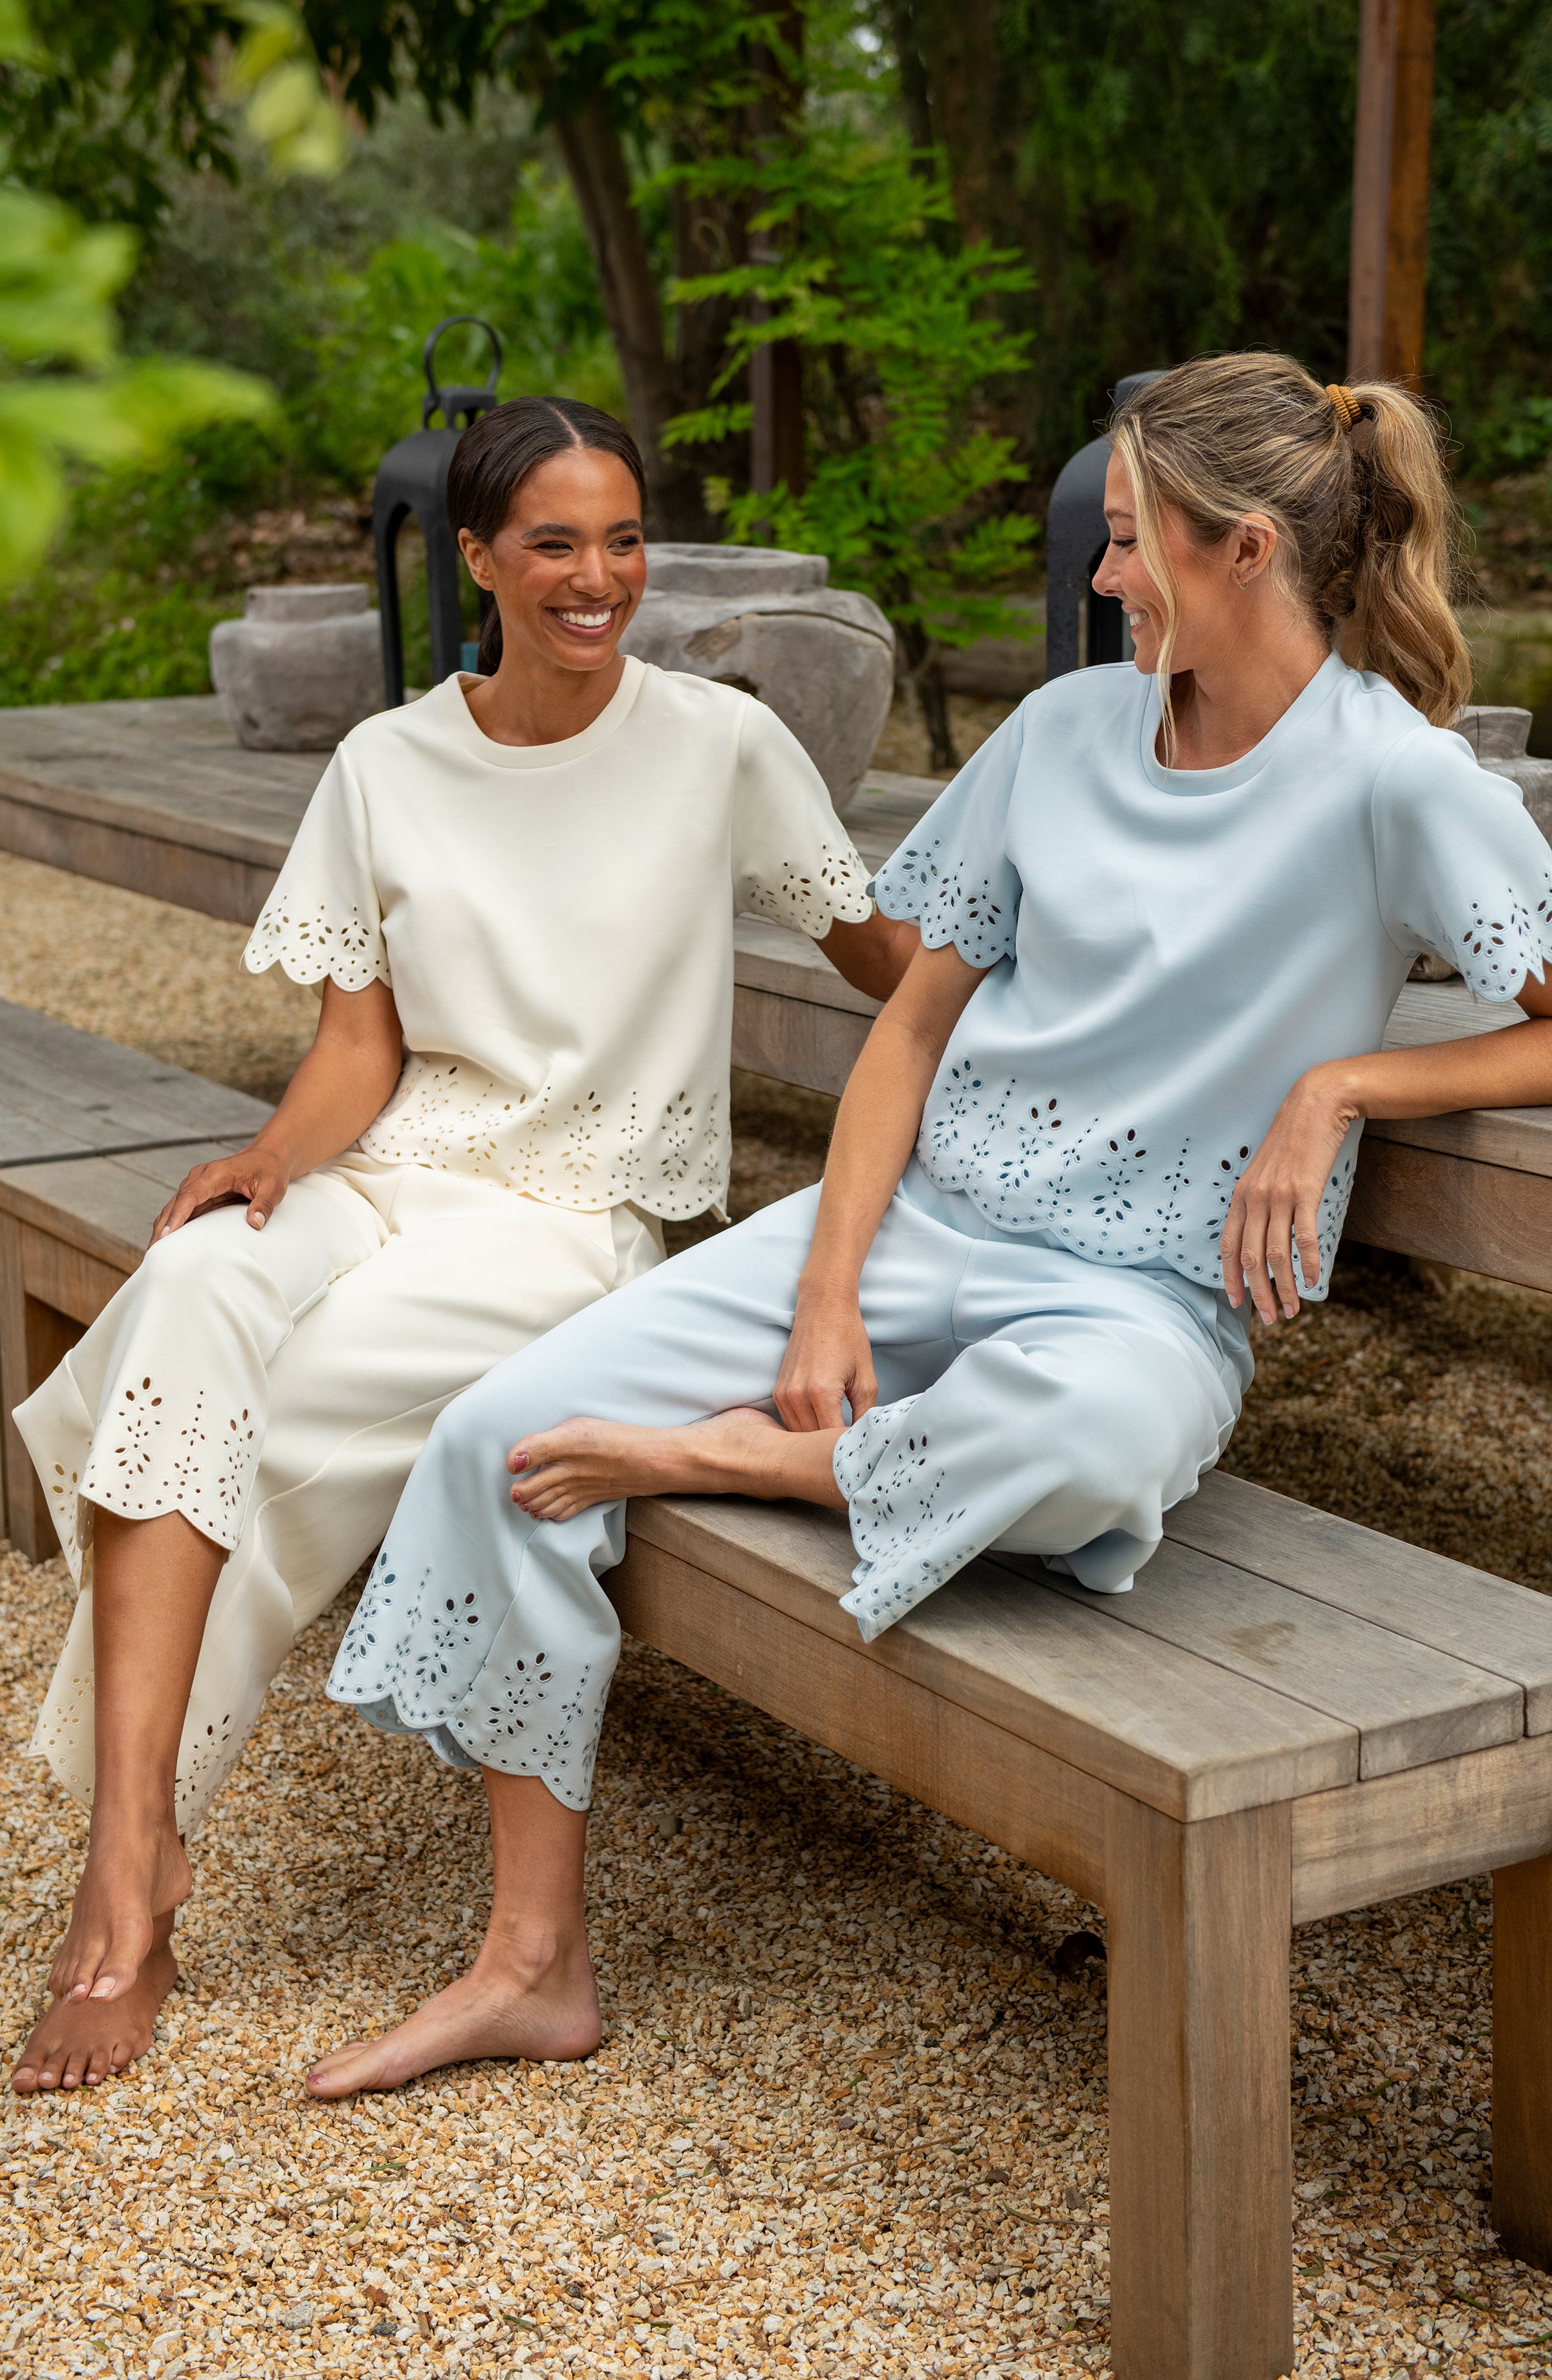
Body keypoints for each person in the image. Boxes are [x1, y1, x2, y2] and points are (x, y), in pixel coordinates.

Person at [305, 351, 1552, 2100]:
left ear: (1247, 553)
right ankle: (533, 1962)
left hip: (1133, 1303)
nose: (1101, 578)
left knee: (1103, 1447)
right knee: (501, 1430)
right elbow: (909, 1023)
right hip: (913, 1233)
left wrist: (1341, 1086)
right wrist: (827, 1300)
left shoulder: (1394, 779)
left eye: (1128, 547)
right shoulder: (1058, 737)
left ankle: (748, 1463)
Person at [10, 395, 915, 2096]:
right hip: (395, 1171)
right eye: (557, 543)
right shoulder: (387, 763)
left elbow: (885, 953)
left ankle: (125, 1897)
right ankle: (132, 1871)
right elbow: (363, 1051)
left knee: (239, 1422)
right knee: (193, 1288)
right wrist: (264, 1163)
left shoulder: (717, 742)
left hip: (576, 1226)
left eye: (626, 539)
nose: (600, 578)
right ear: (483, 560)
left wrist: (1108, 962)